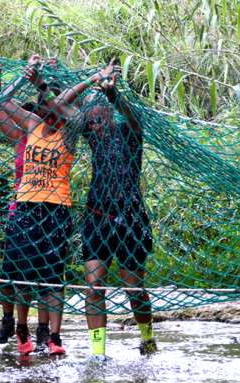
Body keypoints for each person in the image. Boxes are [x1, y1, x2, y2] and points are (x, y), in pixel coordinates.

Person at [0, 54, 117, 355]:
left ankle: (54, 338)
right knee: (21, 274)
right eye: (47, 97)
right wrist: (15, 75)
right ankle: (22, 331)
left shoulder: (71, 128)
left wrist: (92, 80)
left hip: (56, 209)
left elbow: (65, 102)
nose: (51, 103)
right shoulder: (31, 122)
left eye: (55, 99)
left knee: (52, 276)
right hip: (25, 206)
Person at [74, 68, 157, 361]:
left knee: (134, 289)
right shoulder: (90, 137)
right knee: (95, 287)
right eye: (91, 121)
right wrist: (87, 81)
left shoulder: (129, 133)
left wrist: (113, 95)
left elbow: (135, 117)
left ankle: (148, 339)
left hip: (131, 220)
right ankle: (98, 353)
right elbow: (63, 109)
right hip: (97, 218)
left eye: (99, 119)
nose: (95, 125)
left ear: (110, 114)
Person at [0, 56, 59, 351]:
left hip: (51, 209)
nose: (35, 117)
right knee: (12, 274)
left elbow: (58, 103)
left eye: (38, 112)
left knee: (46, 275)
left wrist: (49, 74)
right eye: (30, 113)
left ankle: (42, 331)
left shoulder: (58, 136)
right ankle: (12, 324)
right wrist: (2, 74)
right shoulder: (21, 136)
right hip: (22, 209)